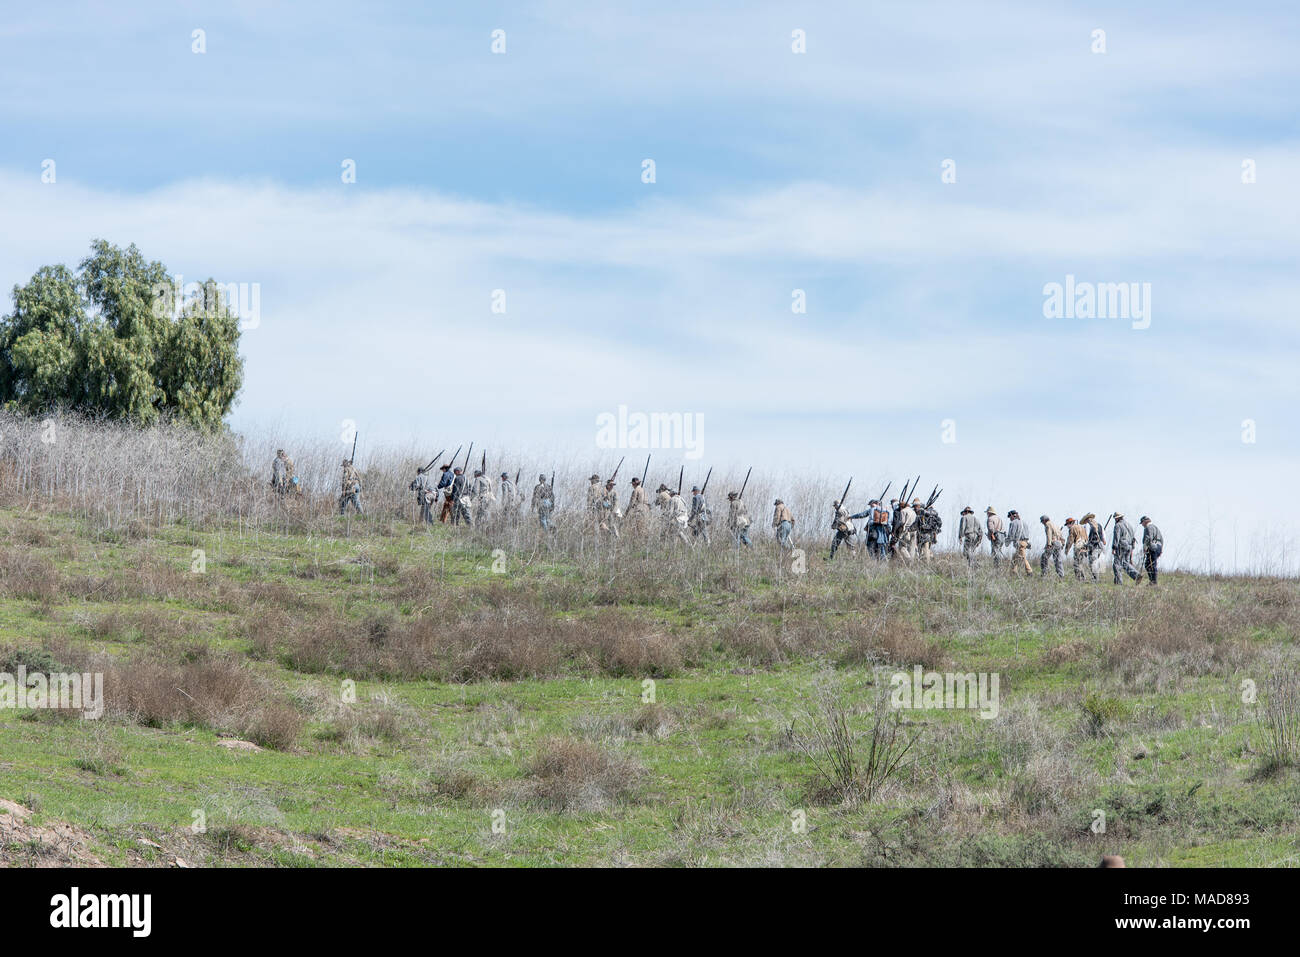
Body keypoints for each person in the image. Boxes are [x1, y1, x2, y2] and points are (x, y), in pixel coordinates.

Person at [1111, 512, 1141, 584]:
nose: (1115, 519)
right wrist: (1132, 548)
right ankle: (1136, 576)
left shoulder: (1118, 525)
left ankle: (1119, 582)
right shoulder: (1129, 525)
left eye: (1115, 518)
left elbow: (1116, 537)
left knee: (1117, 564)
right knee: (1125, 563)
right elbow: (1133, 537)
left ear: (1118, 518)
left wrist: (1114, 548)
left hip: (1121, 546)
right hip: (1129, 546)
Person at [1140, 516, 1163, 585]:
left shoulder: (1148, 527)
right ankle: (1153, 581)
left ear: (1145, 521)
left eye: (1142, 523)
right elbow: (1162, 539)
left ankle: (1153, 582)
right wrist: (1161, 549)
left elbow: (1148, 538)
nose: (1142, 524)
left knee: (1150, 564)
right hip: (1158, 547)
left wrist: (1145, 548)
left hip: (1152, 547)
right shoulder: (1156, 528)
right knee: (1151, 564)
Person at [1082, 512, 1106, 578]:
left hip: (1093, 546)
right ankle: (1097, 578)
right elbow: (1104, 539)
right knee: (1098, 563)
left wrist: (1085, 546)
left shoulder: (1087, 525)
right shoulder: (1099, 525)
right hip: (1101, 546)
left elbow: (1086, 537)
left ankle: (1095, 578)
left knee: (1093, 563)